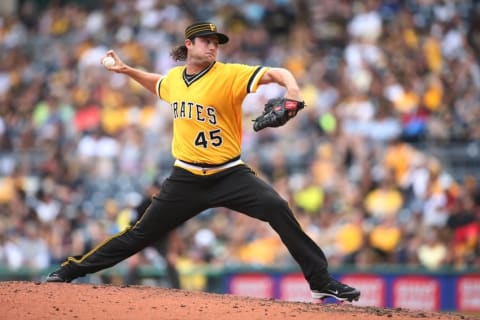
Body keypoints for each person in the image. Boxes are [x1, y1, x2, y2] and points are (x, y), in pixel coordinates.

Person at [46, 21, 361, 302]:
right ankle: (71, 270)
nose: (213, 46)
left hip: (230, 173)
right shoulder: (174, 80)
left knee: (277, 207)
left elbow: (275, 73)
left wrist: (292, 90)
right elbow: (158, 84)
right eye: (206, 40)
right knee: (139, 234)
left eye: (216, 41)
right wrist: (127, 70)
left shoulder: (228, 74)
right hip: (186, 178)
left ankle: (320, 282)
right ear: (189, 45)